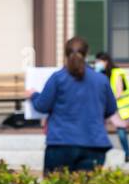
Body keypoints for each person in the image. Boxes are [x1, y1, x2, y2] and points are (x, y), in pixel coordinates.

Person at [27, 36, 118, 174]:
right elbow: (111, 109)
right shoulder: (101, 80)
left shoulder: (58, 78)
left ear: (65, 54)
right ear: (87, 54)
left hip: (61, 142)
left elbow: (42, 106)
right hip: (94, 143)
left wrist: (33, 95)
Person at [94, 51, 129, 163]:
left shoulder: (116, 72)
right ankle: (99, 152)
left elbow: (118, 92)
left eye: (99, 61)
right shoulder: (101, 74)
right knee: (100, 127)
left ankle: (128, 154)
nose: (97, 63)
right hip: (108, 105)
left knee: (121, 130)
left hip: (121, 107)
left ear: (106, 62)